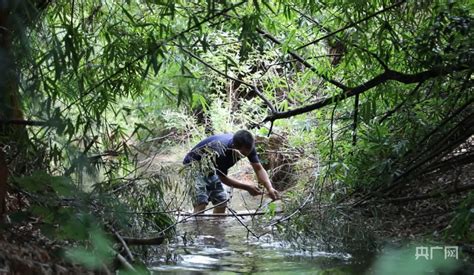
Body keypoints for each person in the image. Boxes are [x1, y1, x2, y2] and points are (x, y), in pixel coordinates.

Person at [183, 130, 279, 213]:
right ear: (234, 147)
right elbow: (223, 178)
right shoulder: (221, 151)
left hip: (211, 169)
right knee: (201, 202)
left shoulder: (248, 147)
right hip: (193, 167)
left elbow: (258, 168)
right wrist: (248, 187)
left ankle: (217, 231)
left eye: (247, 153)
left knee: (221, 201)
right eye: (242, 154)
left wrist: (269, 188)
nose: (244, 156)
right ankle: (198, 231)